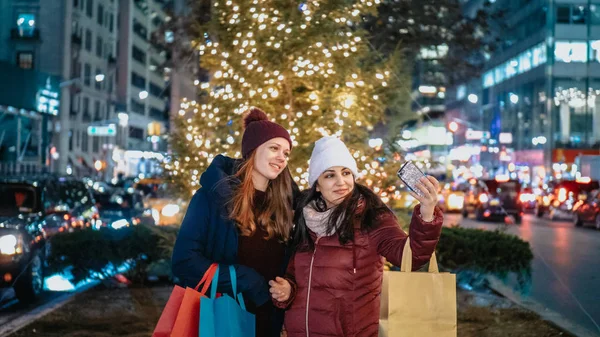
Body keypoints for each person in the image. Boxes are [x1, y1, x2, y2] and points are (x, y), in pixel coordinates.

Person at [269, 136, 443, 337]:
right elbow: (295, 275)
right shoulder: (304, 220)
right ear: (316, 185)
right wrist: (287, 291)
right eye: (329, 175)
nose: (341, 182)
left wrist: (427, 214)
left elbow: (412, 257)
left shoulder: (372, 218)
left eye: (346, 173)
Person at [172, 107, 297, 337]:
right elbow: (184, 261)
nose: (282, 157)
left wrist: (289, 285)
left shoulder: (286, 204)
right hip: (223, 319)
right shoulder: (212, 197)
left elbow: (296, 261)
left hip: (270, 322)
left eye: (286, 153)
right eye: (274, 148)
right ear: (253, 150)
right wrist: (247, 280)